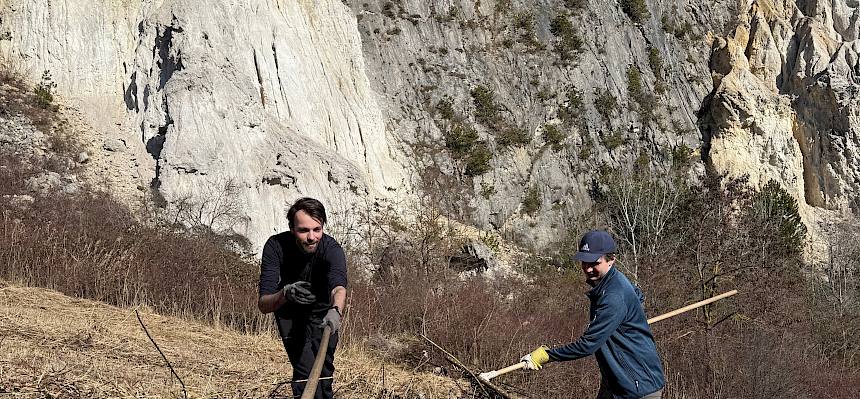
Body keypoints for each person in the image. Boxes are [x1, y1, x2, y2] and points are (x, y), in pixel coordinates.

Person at [520, 230, 665, 399]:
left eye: (594, 263)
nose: (588, 269)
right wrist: (630, 316)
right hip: (616, 381)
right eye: (584, 262)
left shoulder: (613, 297)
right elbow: (637, 293)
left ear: (611, 260)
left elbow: (587, 345)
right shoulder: (612, 283)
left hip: (637, 386)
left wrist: (546, 356)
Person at [258, 197, 347, 399]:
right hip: (289, 313)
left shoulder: (332, 250)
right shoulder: (275, 247)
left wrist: (335, 311)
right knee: (305, 373)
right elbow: (263, 304)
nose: (311, 237)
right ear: (292, 228)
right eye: (303, 230)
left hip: (324, 314)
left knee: (324, 376)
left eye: (317, 229)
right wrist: (285, 293)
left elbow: (339, 288)